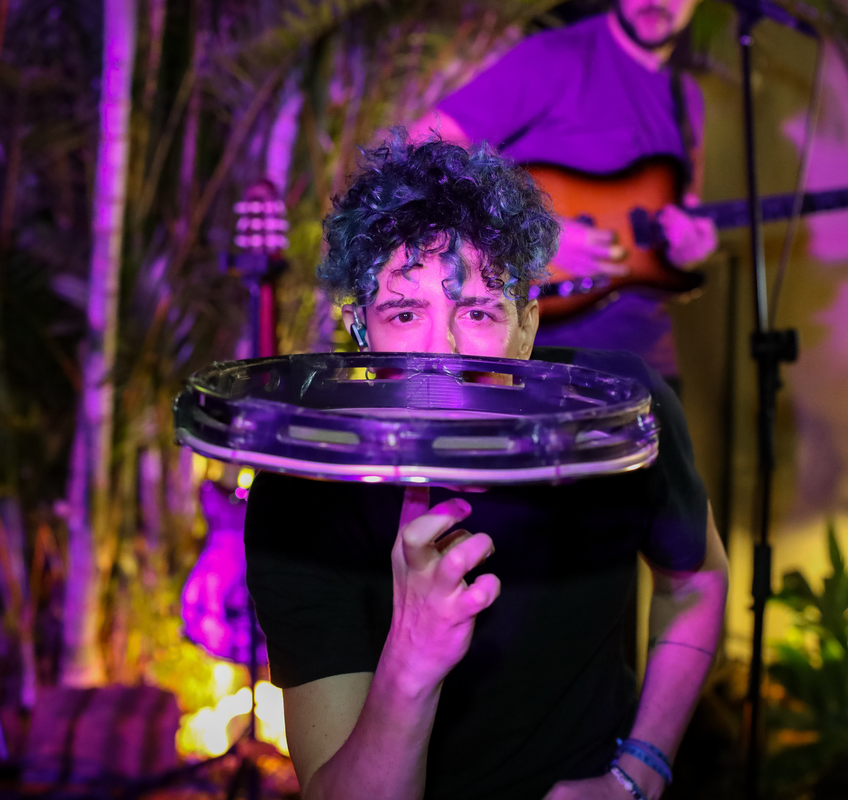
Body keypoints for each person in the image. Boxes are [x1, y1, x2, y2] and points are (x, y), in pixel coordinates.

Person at [243, 135, 728, 800]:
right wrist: (412, 660)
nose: (441, 353)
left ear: (526, 327)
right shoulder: (301, 490)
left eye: (476, 312)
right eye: (404, 312)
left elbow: (698, 581)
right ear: (359, 330)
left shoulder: (617, 416)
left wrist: (637, 775)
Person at [409, 0, 719, 382]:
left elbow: (675, 218)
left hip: (646, 360)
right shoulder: (554, 56)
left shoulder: (687, 98)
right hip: (538, 357)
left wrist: (687, 249)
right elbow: (426, 141)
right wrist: (530, 234)